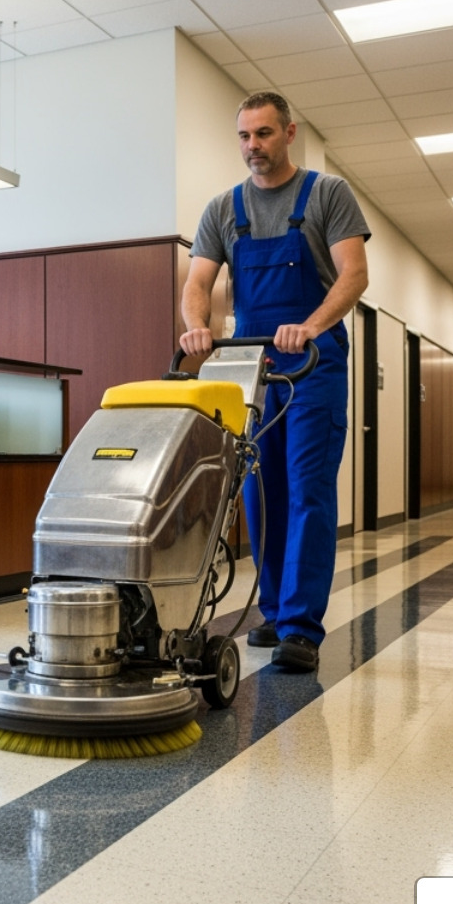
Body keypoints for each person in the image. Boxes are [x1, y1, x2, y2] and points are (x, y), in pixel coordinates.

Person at [179, 92, 370, 672]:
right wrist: (196, 327)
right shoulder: (222, 208)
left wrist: (309, 326)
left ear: (289, 133)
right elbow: (198, 283)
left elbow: (354, 276)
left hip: (313, 363)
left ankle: (302, 628)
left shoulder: (326, 194)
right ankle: (272, 611)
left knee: (307, 488)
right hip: (254, 367)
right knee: (261, 492)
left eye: (263, 134)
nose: (253, 147)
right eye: (244, 136)